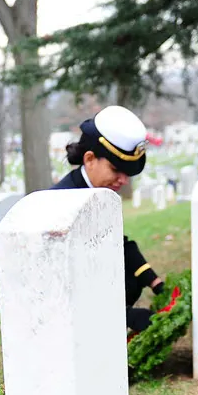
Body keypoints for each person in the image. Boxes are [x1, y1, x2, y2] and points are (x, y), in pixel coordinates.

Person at [55, 106, 165, 333]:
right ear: (90, 159)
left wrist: (155, 283)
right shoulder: (60, 203)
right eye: (116, 169)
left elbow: (118, 242)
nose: (123, 180)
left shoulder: (100, 193)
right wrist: (120, 316)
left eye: (128, 173)